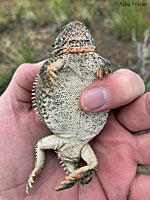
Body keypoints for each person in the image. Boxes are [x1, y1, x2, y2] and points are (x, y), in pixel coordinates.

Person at [0, 60, 150, 200]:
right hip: (78, 137)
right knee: (91, 164)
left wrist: (37, 170)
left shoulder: (80, 60)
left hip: (74, 133)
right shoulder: (79, 148)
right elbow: (91, 165)